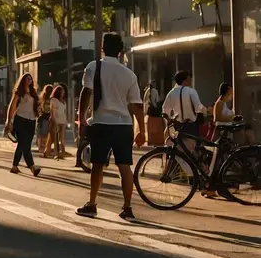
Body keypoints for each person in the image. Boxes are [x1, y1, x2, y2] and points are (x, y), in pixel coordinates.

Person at [76, 32, 145, 221]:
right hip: (124, 125)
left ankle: (92, 203)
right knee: (125, 166)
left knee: (97, 165)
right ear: (121, 51)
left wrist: (81, 118)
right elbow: (137, 104)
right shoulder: (129, 75)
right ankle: (128, 207)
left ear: (102, 48)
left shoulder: (93, 67)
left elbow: (86, 92)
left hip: (101, 124)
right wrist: (142, 130)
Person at [5, 73, 42, 176]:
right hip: (20, 119)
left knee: (27, 145)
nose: (29, 80)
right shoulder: (19, 92)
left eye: (30, 79)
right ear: (23, 81)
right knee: (22, 144)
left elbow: (36, 107)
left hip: (31, 121)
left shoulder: (33, 93)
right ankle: (31, 166)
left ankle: (15, 166)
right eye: (27, 79)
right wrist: (9, 121)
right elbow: (12, 107)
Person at [162, 70, 206, 150]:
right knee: (191, 150)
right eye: (189, 79)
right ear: (185, 80)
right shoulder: (191, 91)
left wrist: (170, 119)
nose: (190, 81)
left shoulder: (171, 93)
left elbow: (165, 109)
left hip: (177, 126)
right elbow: (198, 107)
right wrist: (206, 110)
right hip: (191, 126)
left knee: (179, 151)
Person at [47, 85, 68, 159]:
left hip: (62, 121)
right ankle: (54, 153)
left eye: (63, 92)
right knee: (54, 138)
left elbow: (64, 112)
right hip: (55, 120)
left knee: (62, 138)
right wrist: (54, 121)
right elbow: (52, 112)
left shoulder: (63, 101)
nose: (63, 93)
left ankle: (62, 153)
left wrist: (66, 121)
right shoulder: (54, 100)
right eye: (61, 92)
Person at [38, 84, 55, 154]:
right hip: (45, 117)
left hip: (50, 117)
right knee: (44, 133)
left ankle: (46, 147)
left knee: (49, 133)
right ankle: (42, 147)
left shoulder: (52, 99)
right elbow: (40, 108)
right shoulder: (43, 99)